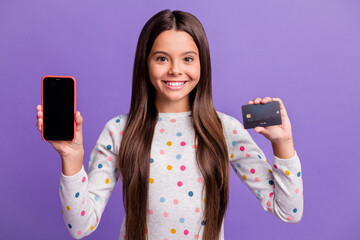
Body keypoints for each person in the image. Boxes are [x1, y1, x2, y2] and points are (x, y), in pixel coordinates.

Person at [36, 9, 303, 240]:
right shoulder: (119, 131)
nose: (175, 69)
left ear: (202, 64)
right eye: (162, 58)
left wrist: (283, 144)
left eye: (187, 58)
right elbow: (80, 227)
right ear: (146, 63)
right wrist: (72, 159)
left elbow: (289, 211)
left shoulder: (225, 130)